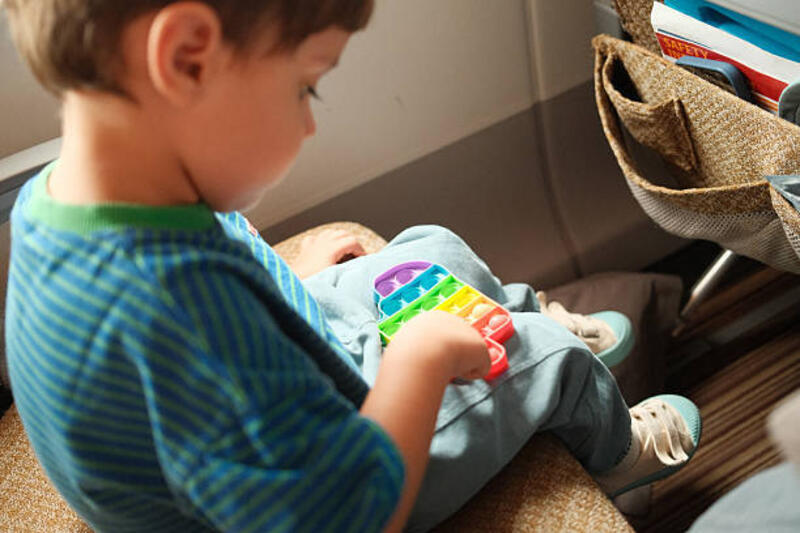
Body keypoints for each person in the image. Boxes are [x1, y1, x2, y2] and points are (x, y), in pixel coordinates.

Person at [2, 1, 701, 531]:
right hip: (327, 480)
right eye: (307, 87)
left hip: (276, 385)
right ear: (187, 57)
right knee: (546, 359)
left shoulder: (64, 194)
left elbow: (220, 281)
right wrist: (419, 363)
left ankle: (521, 312)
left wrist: (295, 281)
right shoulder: (171, 306)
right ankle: (614, 448)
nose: (309, 124)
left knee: (430, 248)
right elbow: (342, 512)